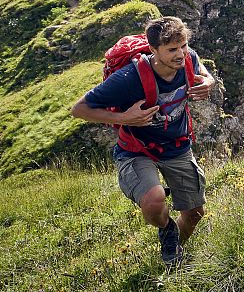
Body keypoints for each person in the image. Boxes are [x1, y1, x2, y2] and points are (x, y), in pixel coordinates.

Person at [71, 16, 214, 267]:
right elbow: (79, 109)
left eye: (183, 46)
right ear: (153, 50)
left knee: (194, 214)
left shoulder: (189, 58)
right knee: (153, 201)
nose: (180, 54)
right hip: (137, 150)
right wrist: (124, 117)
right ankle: (166, 228)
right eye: (172, 50)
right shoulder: (129, 78)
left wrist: (209, 82)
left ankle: (172, 254)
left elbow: (202, 70)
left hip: (177, 146)